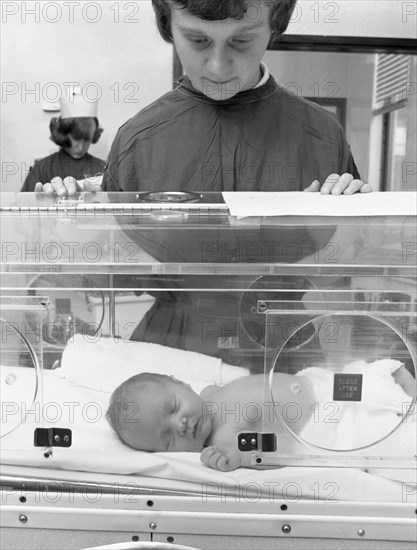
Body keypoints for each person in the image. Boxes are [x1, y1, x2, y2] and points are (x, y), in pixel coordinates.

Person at [107, 362, 415, 472]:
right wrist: (241, 457)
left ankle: (397, 391)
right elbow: (272, 448)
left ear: (181, 383)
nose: (181, 424)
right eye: (168, 437)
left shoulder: (211, 393)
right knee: (390, 431)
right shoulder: (224, 441)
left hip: (325, 384)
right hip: (327, 420)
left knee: (382, 374)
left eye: (173, 408)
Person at [22, 87, 106, 192]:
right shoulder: (43, 168)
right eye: (76, 138)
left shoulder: (103, 168)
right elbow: (24, 203)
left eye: (86, 140)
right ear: (64, 133)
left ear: (94, 135)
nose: (80, 147)